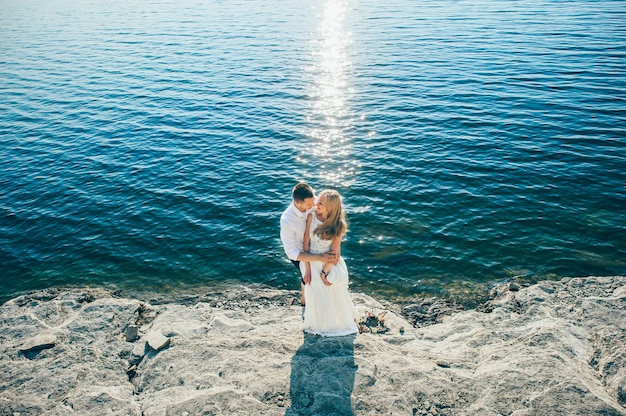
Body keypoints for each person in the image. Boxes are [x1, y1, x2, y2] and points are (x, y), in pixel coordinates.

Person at [300, 189, 358, 337]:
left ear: (331, 207)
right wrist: (307, 269)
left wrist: (325, 272)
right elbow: (305, 244)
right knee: (318, 296)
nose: (316, 204)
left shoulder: (339, 225)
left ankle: (343, 321)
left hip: (329, 264)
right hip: (311, 261)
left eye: (321, 203)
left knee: (335, 294)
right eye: (317, 201)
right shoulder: (312, 216)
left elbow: (334, 252)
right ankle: (320, 323)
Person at [280, 182, 337, 305]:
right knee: (307, 277)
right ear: (297, 203)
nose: (314, 204)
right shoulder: (287, 220)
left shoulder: (313, 201)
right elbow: (291, 253)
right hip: (300, 253)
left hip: (316, 245)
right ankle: (305, 300)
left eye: (314, 200)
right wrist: (317, 259)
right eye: (309, 204)